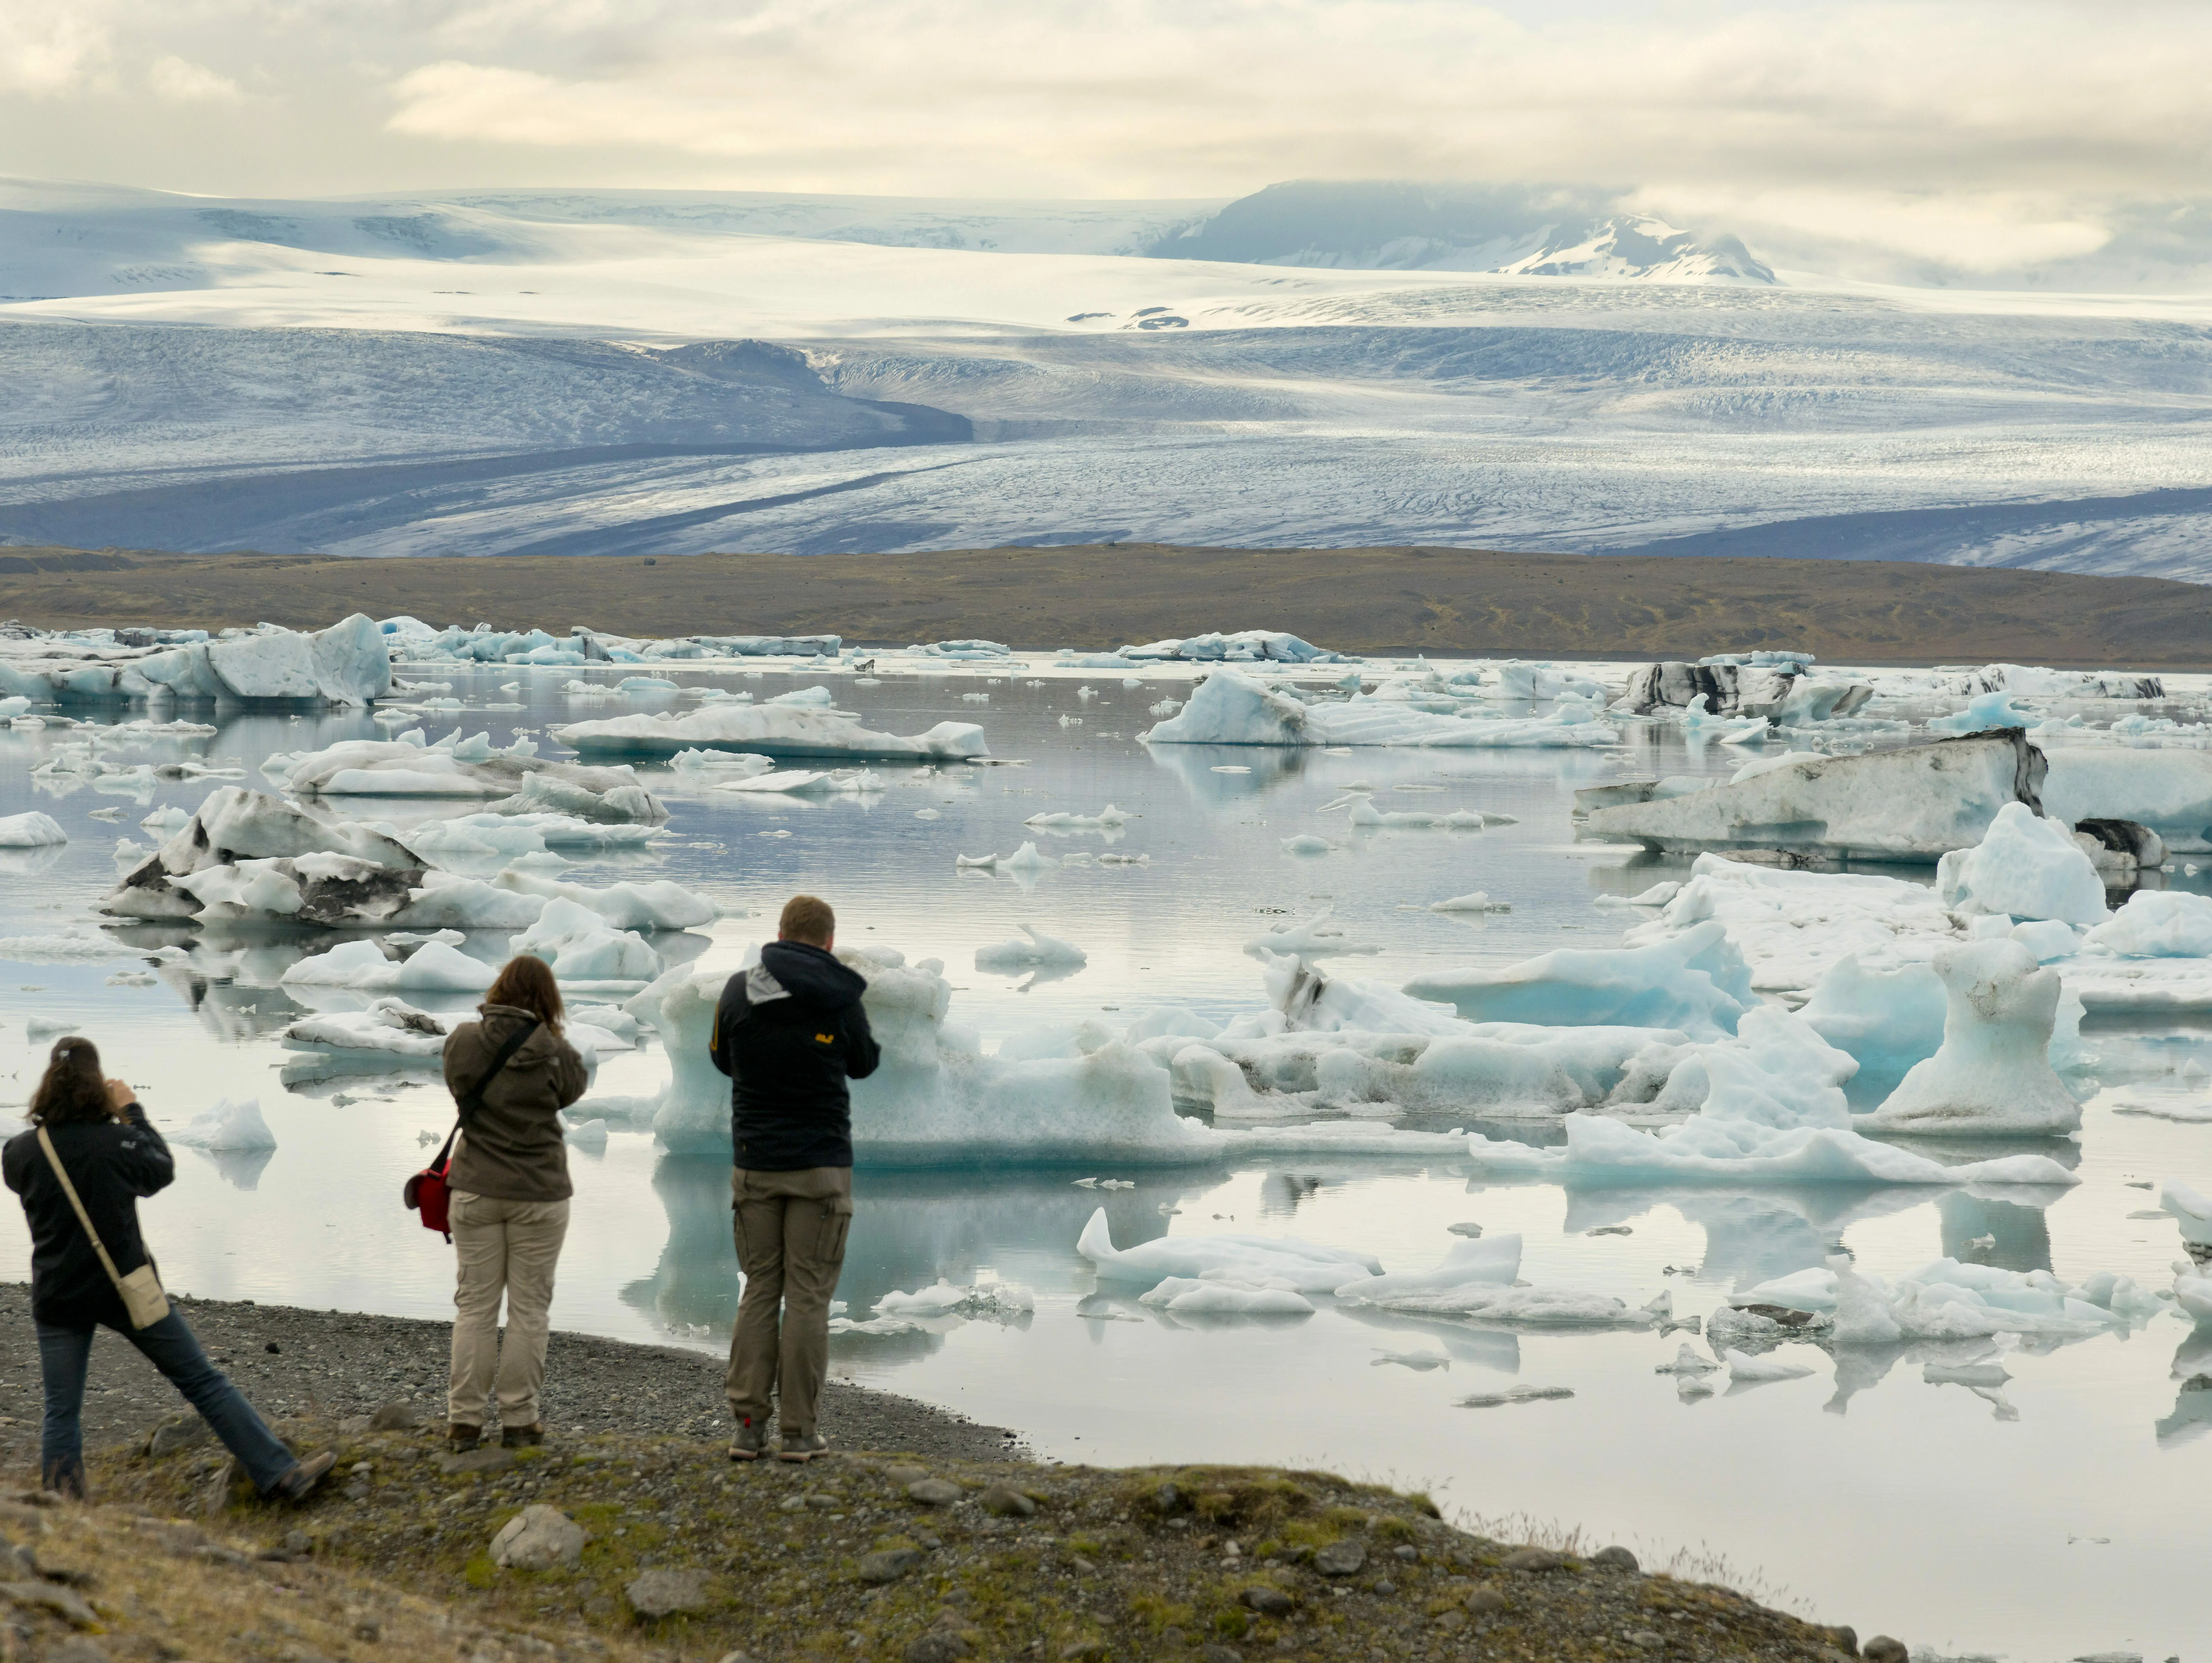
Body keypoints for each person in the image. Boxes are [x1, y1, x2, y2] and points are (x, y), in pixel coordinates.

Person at [3, 1037, 335, 1503]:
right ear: (98, 1084)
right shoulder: (118, 1143)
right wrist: (132, 1113)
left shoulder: (21, 1151)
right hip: (127, 1287)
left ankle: (62, 1511)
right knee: (202, 1382)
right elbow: (161, 1169)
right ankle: (281, 1474)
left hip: (58, 1295)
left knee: (62, 1410)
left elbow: (21, 1182)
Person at [710, 894, 880, 1463]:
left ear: (781, 933)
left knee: (761, 1288)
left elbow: (720, 1058)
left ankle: (749, 1428)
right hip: (822, 1167)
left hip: (755, 1163)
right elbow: (864, 1063)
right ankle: (800, 1434)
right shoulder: (842, 996)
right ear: (828, 940)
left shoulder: (738, 990)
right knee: (808, 1296)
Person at [441, 954, 589, 1452]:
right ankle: (520, 1420)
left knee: (475, 1308)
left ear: (499, 988)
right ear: (548, 999)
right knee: (529, 1310)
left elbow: (459, 1086)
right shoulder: (556, 1053)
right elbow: (571, 1093)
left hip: (477, 1188)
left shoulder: (462, 1040)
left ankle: (464, 1421)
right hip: (540, 1195)